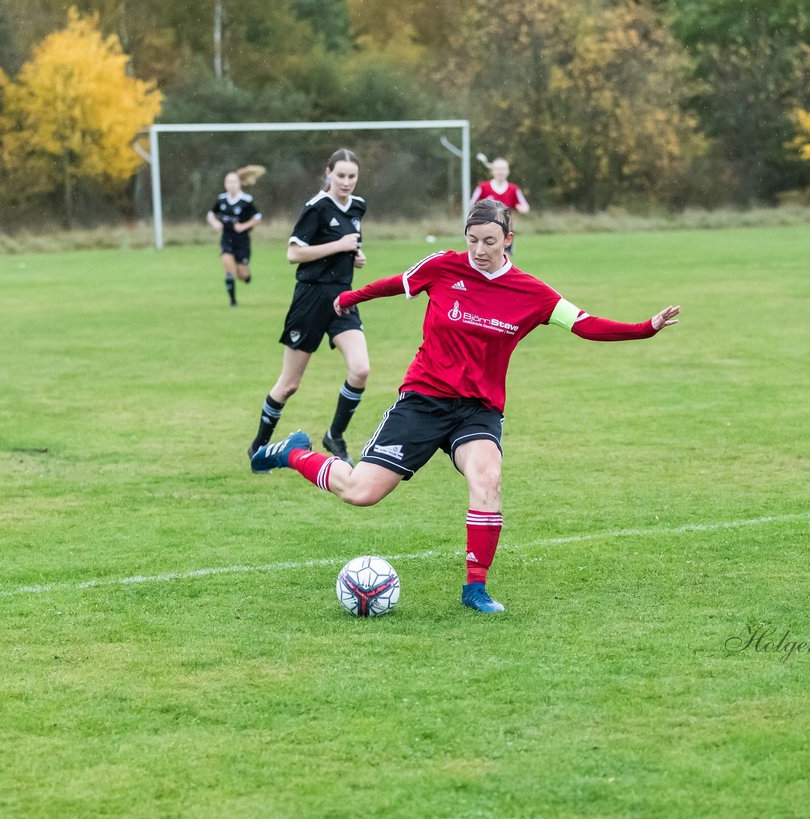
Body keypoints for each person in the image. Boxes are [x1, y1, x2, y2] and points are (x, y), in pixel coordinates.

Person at [251, 199, 680, 613]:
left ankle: (475, 587)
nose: (479, 250)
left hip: (478, 409)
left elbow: (586, 325)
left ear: (508, 239)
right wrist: (351, 298)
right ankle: (293, 451)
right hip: (423, 400)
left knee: (487, 477)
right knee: (360, 493)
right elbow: (397, 282)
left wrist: (646, 328)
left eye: (490, 241)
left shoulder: (532, 293)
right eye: (472, 239)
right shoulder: (444, 266)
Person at [247, 149, 369, 464]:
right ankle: (259, 446)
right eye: (340, 175)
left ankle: (335, 436)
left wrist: (355, 257)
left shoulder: (358, 206)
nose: (346, 182)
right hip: (311, 299)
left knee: (360, 369)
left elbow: (350, 246)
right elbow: (294, 254)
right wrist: (339, 246)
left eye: (351, 176)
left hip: (342, 299)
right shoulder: (316, 208)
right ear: (327, 173)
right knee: (289, 385)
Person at [206, 167, 263, 307]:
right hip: (227, 238)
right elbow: (210, 214)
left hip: (242, 240)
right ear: (225, 184)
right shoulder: (221, 200)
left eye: (234, 182)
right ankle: (233, 301)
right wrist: (215, 223)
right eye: (228, 182)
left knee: (241, 274)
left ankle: (246, 275)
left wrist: (243, 226)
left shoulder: (246, 200)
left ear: (239, 183)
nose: (231, 184)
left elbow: (257, 217)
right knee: (227, 267)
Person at [469, 158, 530, 254]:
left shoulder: (513, 189)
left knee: (505, 260)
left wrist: (520, 208)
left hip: (505, 231)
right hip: (485, 233)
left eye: (503, 169)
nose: (500, 172)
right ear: (492, 171)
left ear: (508, 171)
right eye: (498, 169)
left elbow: (525, 207)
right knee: (485, 260)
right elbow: (472, 205)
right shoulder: (483, 187)